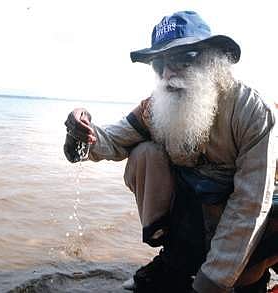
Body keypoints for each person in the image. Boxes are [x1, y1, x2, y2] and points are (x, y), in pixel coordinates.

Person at [63, 11, 278, 293]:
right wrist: (80, 133)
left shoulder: (252, 112)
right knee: (144, 154)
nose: (167, 73)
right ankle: (176, 260)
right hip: (195, 214)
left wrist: (211, 281)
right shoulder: (154, 109)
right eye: (159, 63)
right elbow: (110, 141)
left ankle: (251, 275)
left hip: (256, 218)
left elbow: (250, 204)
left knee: (248, 265)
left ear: (213, 60)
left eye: (181, 58)